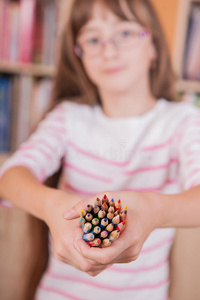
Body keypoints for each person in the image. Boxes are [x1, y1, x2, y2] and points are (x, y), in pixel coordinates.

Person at [0, 0, 200, 299]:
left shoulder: (181, 121)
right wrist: (53, 207)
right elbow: (10, 178)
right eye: (93, 39)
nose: (109, 50)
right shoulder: (68, 118)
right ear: (78, 56)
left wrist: (153, 211)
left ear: (154, 47)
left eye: (125, 33)